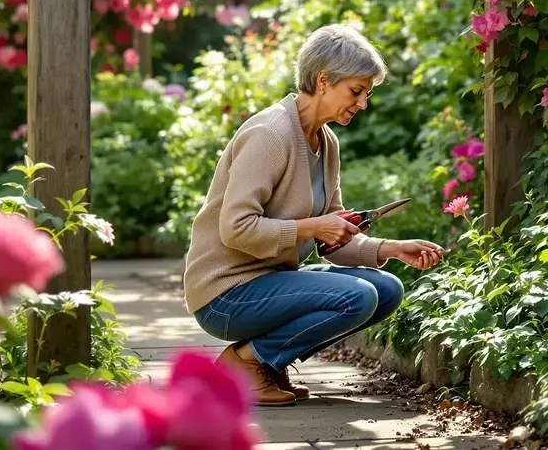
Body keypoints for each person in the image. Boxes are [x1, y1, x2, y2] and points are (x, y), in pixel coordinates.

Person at [183, 24, 447, 406]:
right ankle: (246, 362)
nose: (363, 104)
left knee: (387, 290)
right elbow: (235, 228)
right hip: (226, 293)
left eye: (367, 93)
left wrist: (390, 247)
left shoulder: (326, 142)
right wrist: (311, 226)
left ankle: (265, 362)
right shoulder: (270, 134)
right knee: (357, 297)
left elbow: (332, 236)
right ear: (323, 81)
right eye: (356, 91)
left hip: (270, 281)